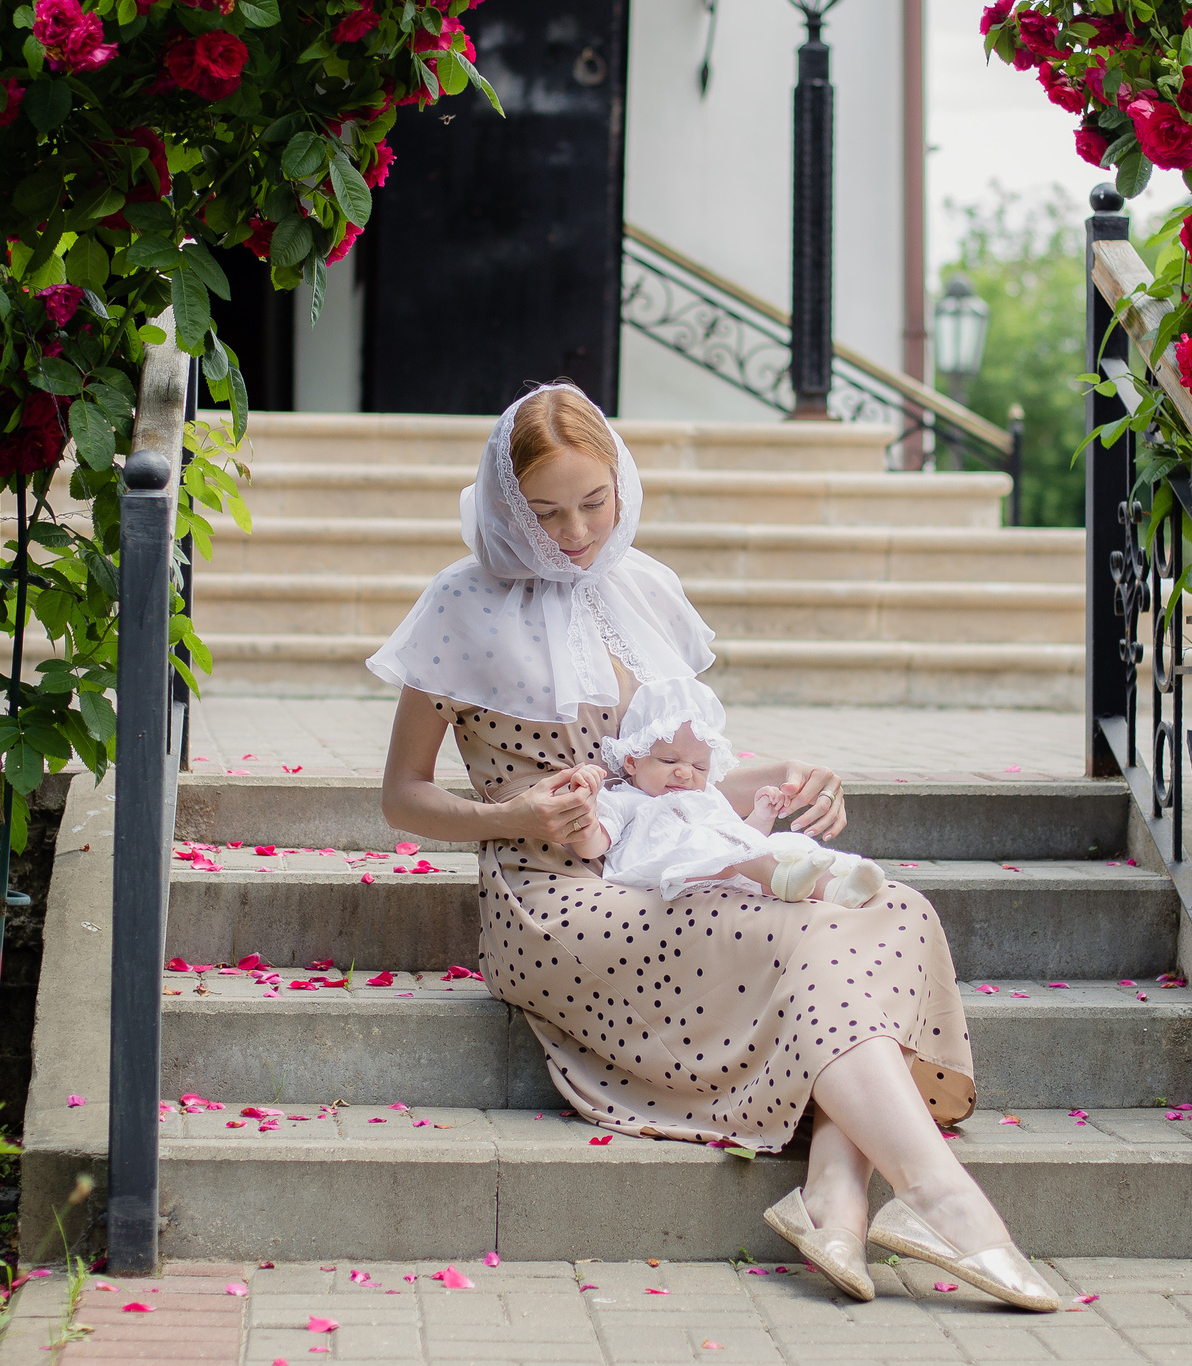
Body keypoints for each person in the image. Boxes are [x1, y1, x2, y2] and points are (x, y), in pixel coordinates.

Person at [369, 382, 1057, 1311]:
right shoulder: (461, 601)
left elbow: (685, 778)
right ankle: (944, 1201)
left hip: (673, 859)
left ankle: (835, 1189)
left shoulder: (642, 588)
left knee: (891, 907)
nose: (574, 532)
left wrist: (794, 777)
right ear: (504, 504)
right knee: (806, 937)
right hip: (555, 894)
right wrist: (516, 816)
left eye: (594, 502)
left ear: (622, 484)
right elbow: (400, 797)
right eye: (545, 512)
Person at [580, 675, 887, 907]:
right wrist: (585, 810)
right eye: (669, 760)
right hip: (665, 870)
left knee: (784, 842)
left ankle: (838, 888)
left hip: (725, 868)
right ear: (632, 761)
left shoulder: (706, 797)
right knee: (732, 850)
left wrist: (762, 815)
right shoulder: (624, 800)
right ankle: (785, 878)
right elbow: (593, 846)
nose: (685, 772)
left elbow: (743, 837)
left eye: (699, 767)